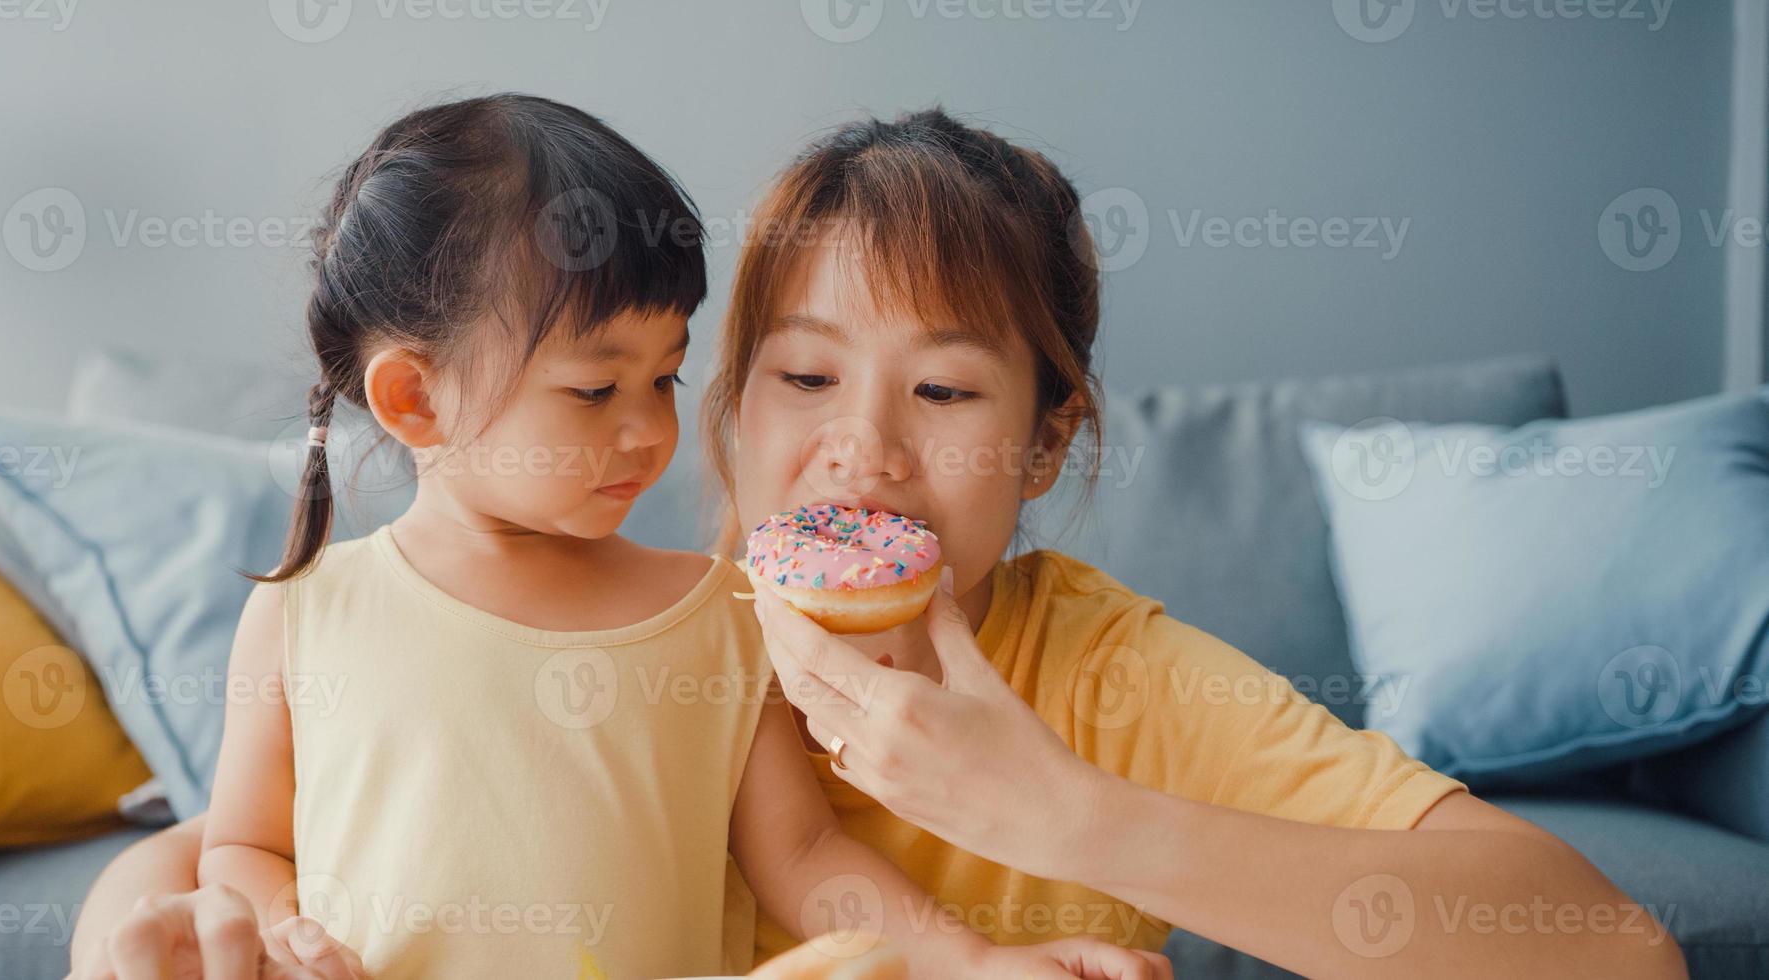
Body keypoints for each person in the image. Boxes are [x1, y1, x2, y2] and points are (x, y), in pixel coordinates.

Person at [67, 94, 1159, 980]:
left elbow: (804, 854)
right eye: (595, 388)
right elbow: (243, 845)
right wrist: (282, 930)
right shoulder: (308, 611)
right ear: (412, 400)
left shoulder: (718, 609)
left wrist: (972, 961)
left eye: (665, 376)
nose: (649, 428)